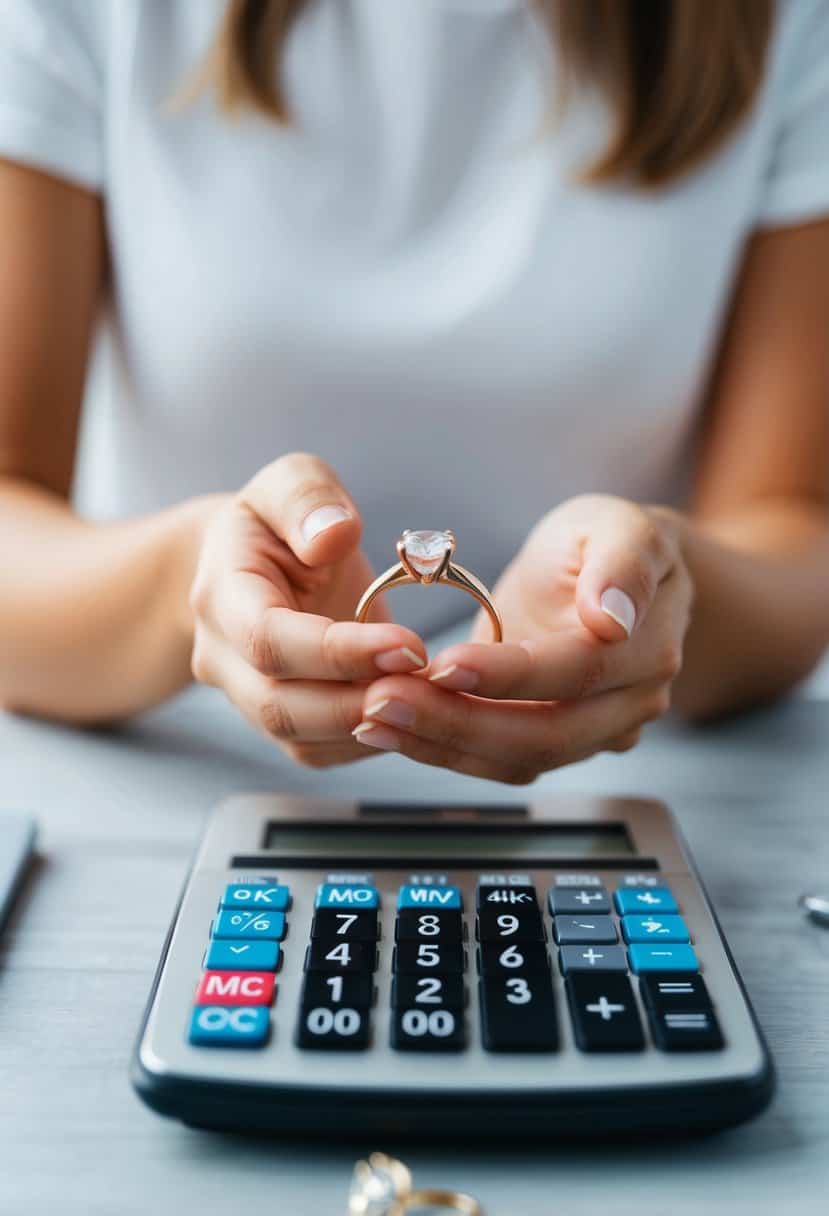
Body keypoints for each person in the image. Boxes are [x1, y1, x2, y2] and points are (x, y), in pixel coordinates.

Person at [0, 0, 827, 787]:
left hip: (649, 779)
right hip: (166, 764)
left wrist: (662, 592)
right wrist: (188, 588)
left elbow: (793, 529)